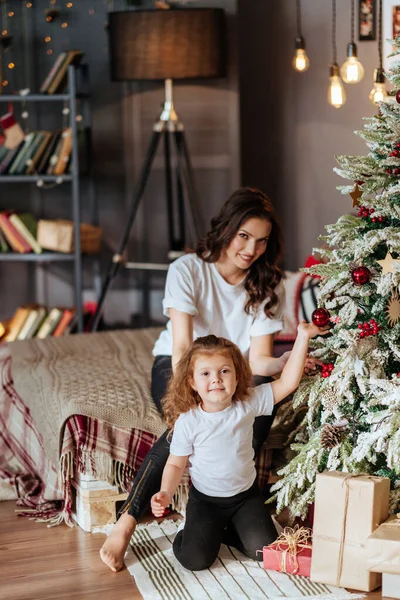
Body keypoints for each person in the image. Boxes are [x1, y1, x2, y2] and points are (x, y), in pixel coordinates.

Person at [100, 187, 321, 572]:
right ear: (228, 229)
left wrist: (289, 360)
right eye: (244, 236)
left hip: (234, 371)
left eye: (262, 241)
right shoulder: (187, 270)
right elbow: (184, 345)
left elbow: (258, 360)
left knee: (245, 418)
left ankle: (239, 514)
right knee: (183, 426)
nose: (251, 249)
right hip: (182, 364)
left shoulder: (267, 284)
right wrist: (197, 394)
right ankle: (126, 523)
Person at [151, 328, 327, 570]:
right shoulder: (189, 421)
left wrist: (303, 337)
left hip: (245, 498)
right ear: (192, 382)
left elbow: (287, 383)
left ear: (236, 376)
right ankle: (191, 531)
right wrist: (165, 492)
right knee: (195, 559)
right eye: (205, 373)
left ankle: (227, 530)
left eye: (224, 371)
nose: (216, 379)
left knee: (264, 552)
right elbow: (175, 463)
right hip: (206, 502)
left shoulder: (248, 402)